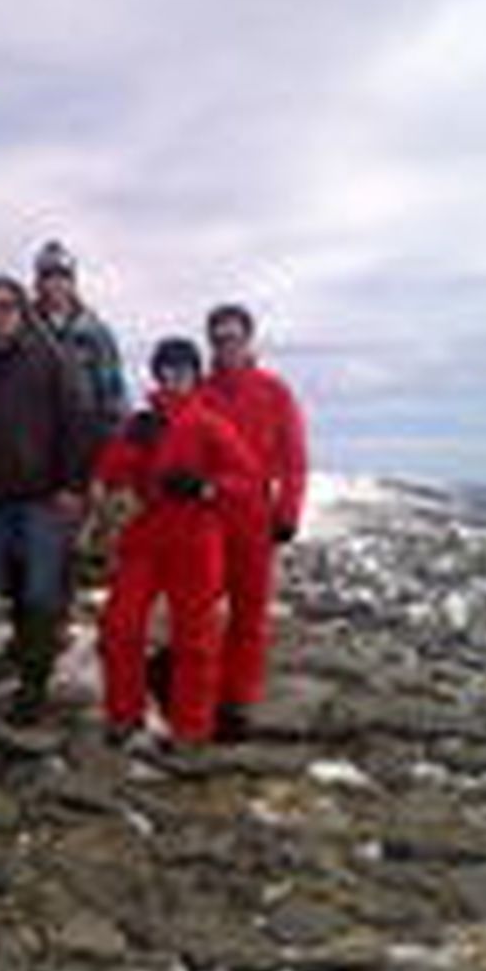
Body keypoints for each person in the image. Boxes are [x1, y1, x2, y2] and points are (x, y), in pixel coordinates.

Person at [95, 338, 260, 745]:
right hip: (146, 534)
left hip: (197, 537)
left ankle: (191, 728)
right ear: (157, 375)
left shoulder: (209, 424)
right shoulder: (141, 424)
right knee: (119, 626)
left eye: (183, 371)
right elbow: (110, 475)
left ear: (195, 376)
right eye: (167, 371)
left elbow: (247, 479)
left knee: (195, 637)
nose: (175, 378)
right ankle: (124, 717)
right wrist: (131, 444)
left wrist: (205, 487)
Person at [0, 276, 88, 723]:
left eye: (6, 306)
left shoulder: (51, 359)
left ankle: (33, 687)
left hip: (41, 497)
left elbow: (76, 423)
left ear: (22, 311)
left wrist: (73, 486)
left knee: (39, 594)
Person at [198, 303, 309, 740]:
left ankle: (236, 702)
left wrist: (288, 513)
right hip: (207, 516)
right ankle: (198, 691)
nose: (226, 345)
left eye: (233, 337)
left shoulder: (274, 391)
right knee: (199, 609)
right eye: (218, 338)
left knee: (249, 614)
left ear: (248, 340)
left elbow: (294, 459)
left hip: (254, 518)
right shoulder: (200, 393)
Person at [29, 239, 128, 456]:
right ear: (38, 283)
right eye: (48, 276)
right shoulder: (25, 329)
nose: (56, 283)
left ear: (73, 282)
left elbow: (114, 389)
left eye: (63, 276)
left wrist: (114, 436)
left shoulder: (97, 332)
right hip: (37, 437)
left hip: (86, 437)